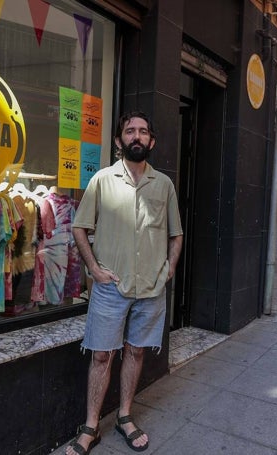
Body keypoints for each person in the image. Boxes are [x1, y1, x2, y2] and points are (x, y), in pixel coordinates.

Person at [66, 111, 183, 454]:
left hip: (151, 288)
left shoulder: (163, 185)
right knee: (101, 355)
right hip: (110, 288)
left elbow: (176, 235)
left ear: (151, 141)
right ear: (118, 141)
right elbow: (79, 227)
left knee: (136, 351)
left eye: (143, 131)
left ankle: (125, 416)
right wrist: (94, 270)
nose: (137, 136)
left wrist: (169, 269)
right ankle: (91, 427)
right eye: (130, 131)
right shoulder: (102, 180)